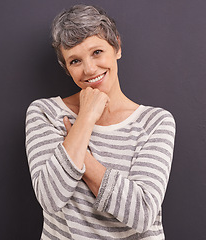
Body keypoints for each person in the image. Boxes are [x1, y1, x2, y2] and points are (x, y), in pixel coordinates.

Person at [25, 4, 175, 240]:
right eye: (75, 61)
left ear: (117, 47)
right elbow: (50, 198)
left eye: (97, 52)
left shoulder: (155, 122)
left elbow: (143, 214)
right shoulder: (45, 113)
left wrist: (78, 149)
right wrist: (86, 117)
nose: (90, 69)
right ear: (66, 68)